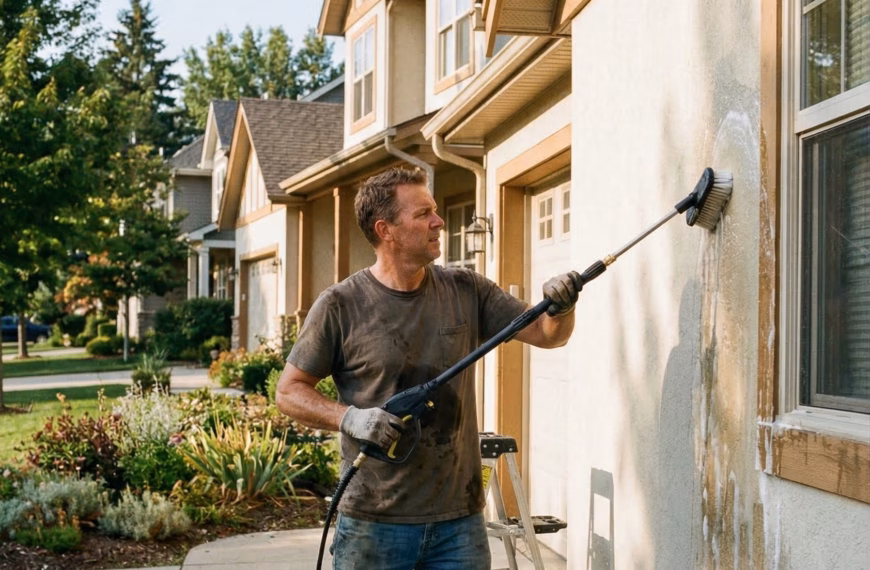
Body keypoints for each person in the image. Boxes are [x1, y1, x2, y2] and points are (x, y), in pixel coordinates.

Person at [275, 166, 581, 570]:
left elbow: (546, 333)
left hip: (459, 523)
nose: (439, 221)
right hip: (373, 522)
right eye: (423, 214)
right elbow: (289, 391)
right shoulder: (341, 305)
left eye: (435, 211)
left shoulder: (466, 290)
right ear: (386, 230)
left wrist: (563, 306)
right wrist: (350, 418)